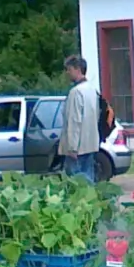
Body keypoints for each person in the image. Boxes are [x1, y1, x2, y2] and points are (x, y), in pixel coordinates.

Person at [58, 54, 100, 183]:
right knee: (89, 181)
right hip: (91, 144)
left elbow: (74, 121)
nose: (67, 73)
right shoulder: (92, 90)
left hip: (77, 148)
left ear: (77, 69)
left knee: (75, 184)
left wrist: (72, 147)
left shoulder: (76, 92)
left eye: (69, 69)